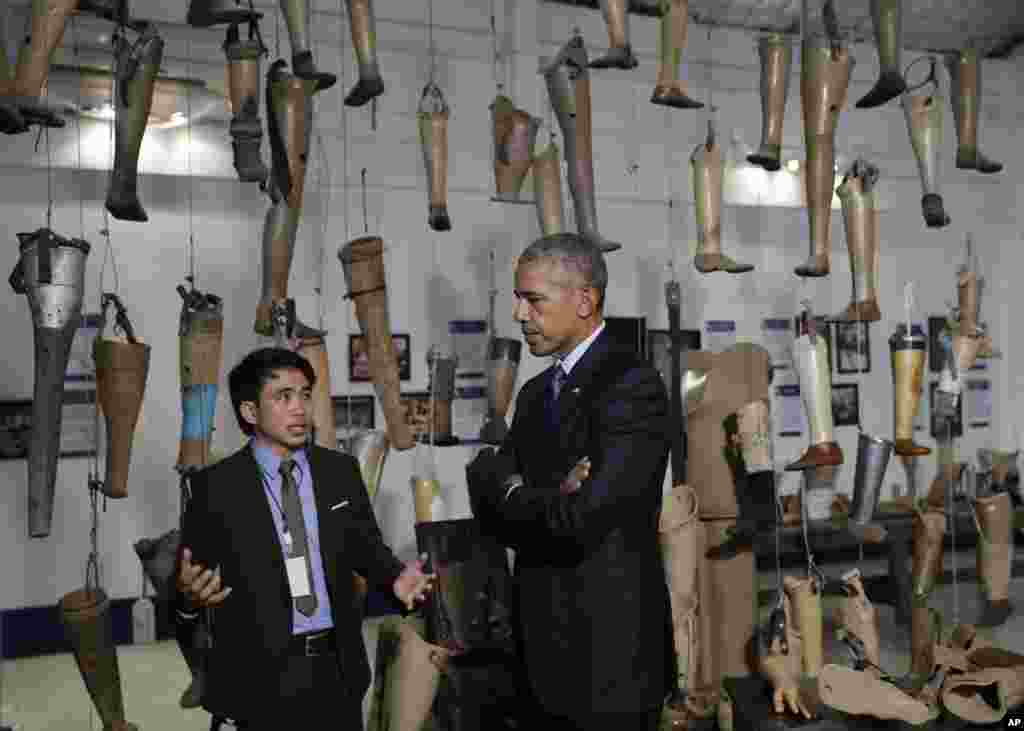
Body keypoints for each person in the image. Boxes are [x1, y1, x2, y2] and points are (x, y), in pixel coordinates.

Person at [466, 233, 673, 731]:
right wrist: (544, 494)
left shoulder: (631, 386)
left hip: (609, 665)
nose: (519, 314)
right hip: (538, 661)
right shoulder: (535, 394)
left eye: (532, 300)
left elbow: (581, 520)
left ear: (584, 300)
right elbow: (485, 496)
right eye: (517, 299)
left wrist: (514, 493)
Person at [174, 347, 434, 730]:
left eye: (305, 395)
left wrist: (396, 578)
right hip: (256, 685)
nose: (300, 408)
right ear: (250, 411)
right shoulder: (215, 488)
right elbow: (187, 588)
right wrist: (187, 599)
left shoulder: (340, 472)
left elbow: (367, 548)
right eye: (283, 397)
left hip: (336, 675)